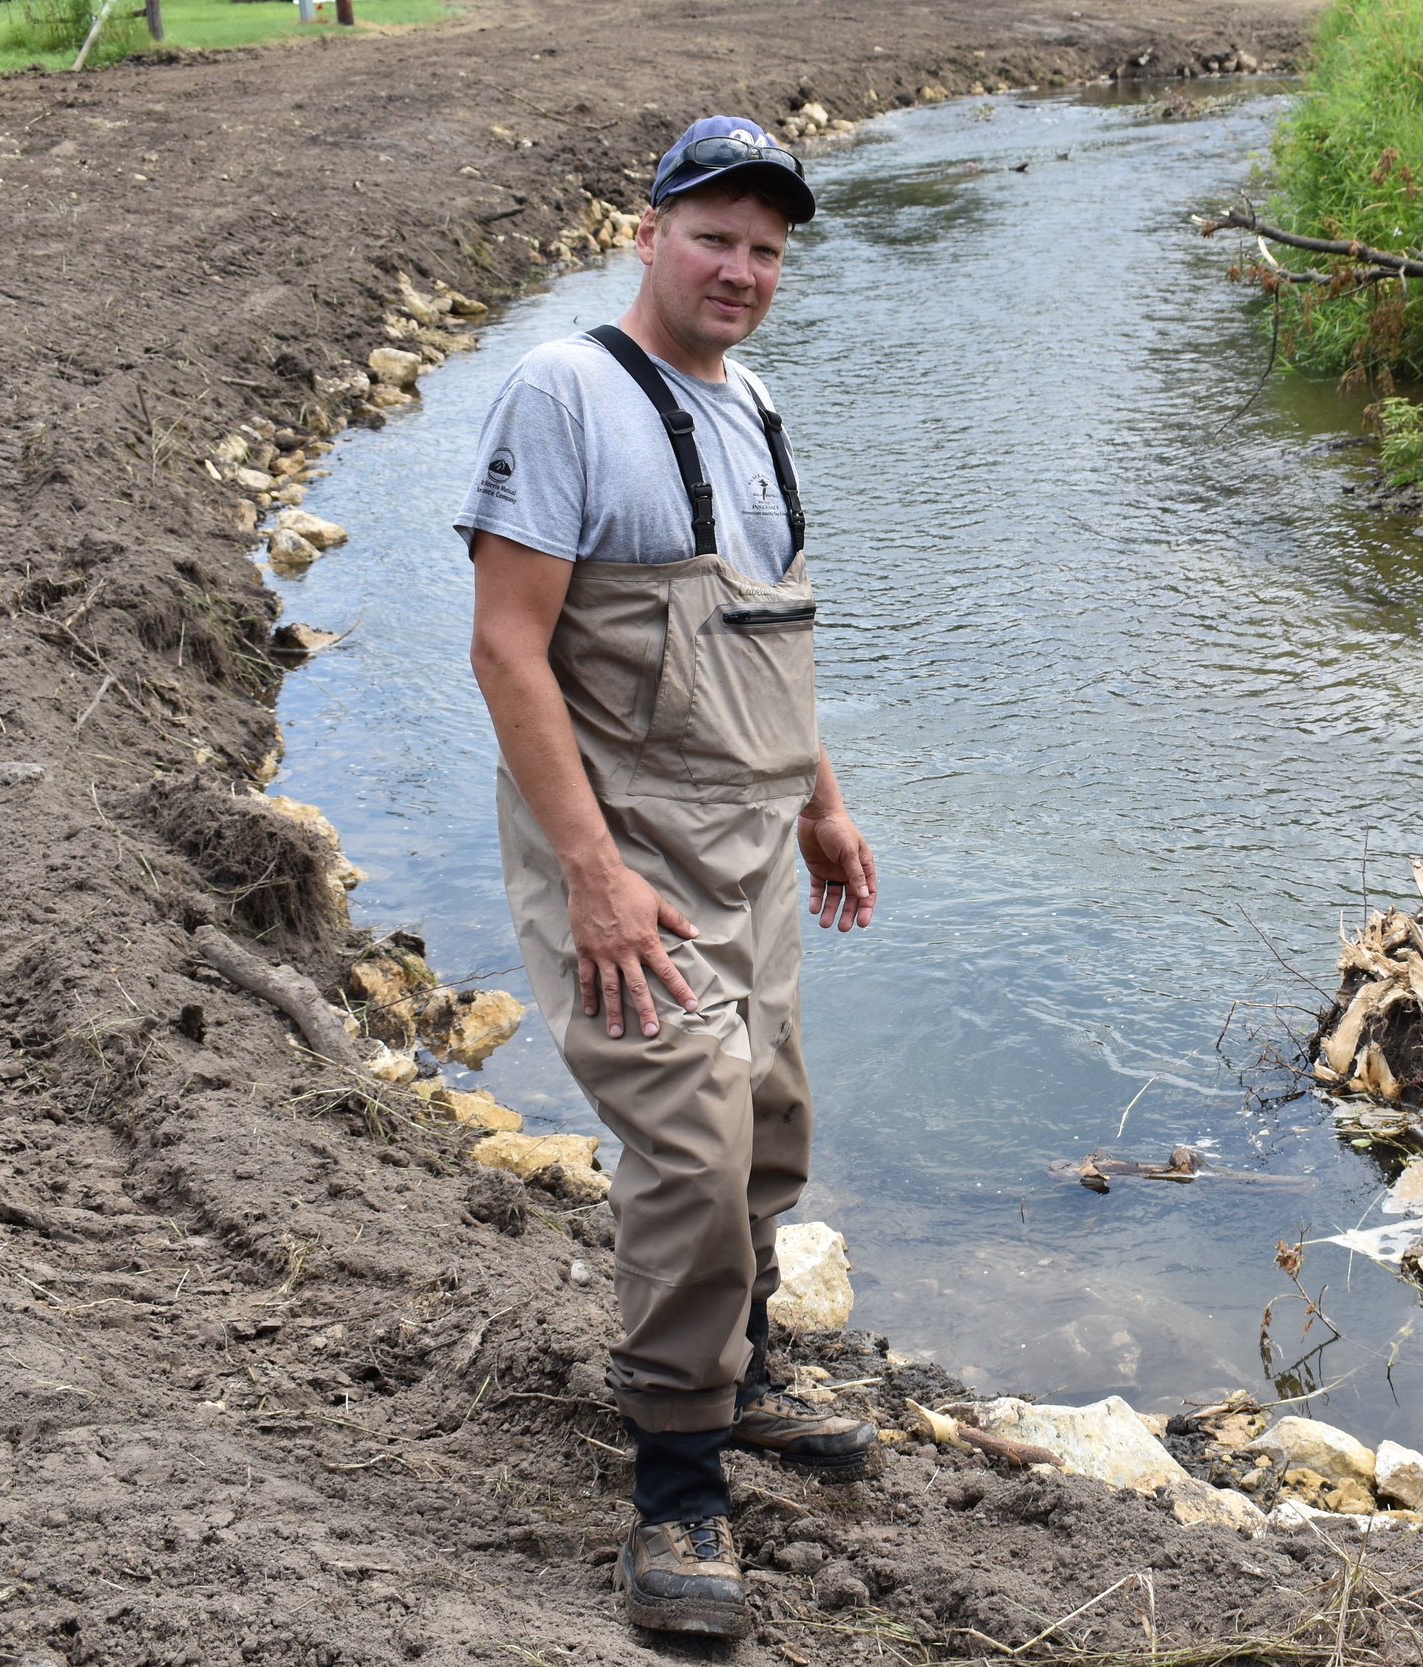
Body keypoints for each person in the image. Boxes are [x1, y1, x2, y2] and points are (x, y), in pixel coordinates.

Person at [458, 115, 879, 1639]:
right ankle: (676, 1489)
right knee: (693, 1145)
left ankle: (743, 1365)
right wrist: (593, 875)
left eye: (768, 249)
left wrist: (824, 805)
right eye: (715, 236)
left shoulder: (754, 401)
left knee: (768, 1117)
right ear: (647, 233)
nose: (742, 269)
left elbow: (773, 633)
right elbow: (510, 647)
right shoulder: (565, 393)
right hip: (626, 851)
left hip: (755, 836)